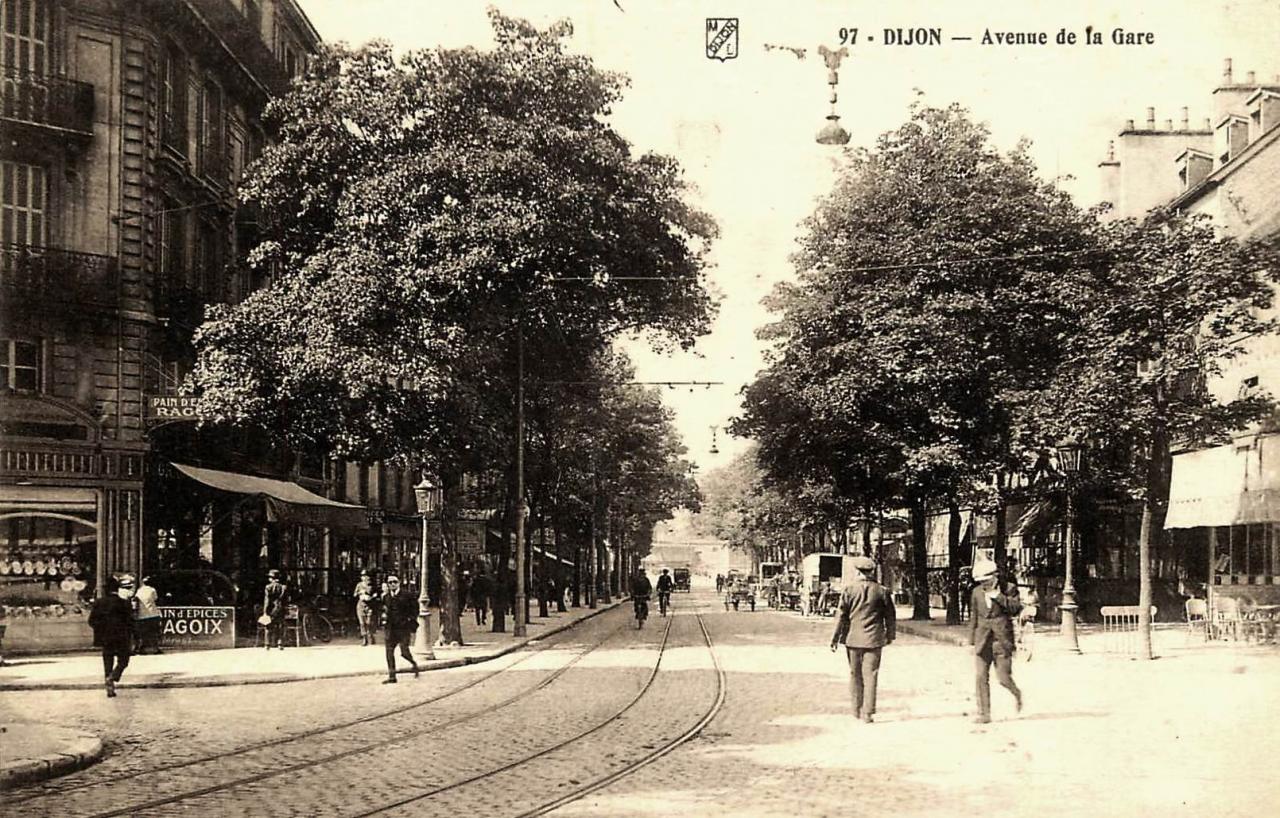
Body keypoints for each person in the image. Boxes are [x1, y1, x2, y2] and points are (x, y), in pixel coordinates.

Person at [829, 557, 896, 723]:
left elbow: (841, 616)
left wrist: (835, 637)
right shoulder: (882, 591)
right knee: (871, 675)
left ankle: (856, 709)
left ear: (858, 571)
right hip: (874, 639)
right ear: (871, 572)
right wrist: (890, 635)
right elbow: (890, 616)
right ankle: (867, 713)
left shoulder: (849, 590)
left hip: (852, 640)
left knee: (855, 674)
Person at [970, 558, 1023, 724]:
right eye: (980, 582)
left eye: (986, 581)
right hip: (982, 640)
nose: (983, 585)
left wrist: (998, 597)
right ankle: (984, 713)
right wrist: (971, 641)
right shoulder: (976, 593)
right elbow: (974, 617)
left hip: (1002, 640)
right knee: (980, 677)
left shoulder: (1009, 588)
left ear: (994, 576)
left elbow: (1016, 609)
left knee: (1003, 678)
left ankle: (1017, 693)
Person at [89, 575, 136, 698]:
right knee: (124, 660)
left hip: (105, 637)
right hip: (121, 637)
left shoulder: (99, 603)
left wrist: (101, 630)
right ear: (117, 588)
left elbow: (92, 621)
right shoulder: (123, 603)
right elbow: (130, 621)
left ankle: (109, 686)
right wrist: (133, 636)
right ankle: (114, 676)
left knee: (108, 661)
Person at [381, 575, 421, 683]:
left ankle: (414, 664)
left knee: (404, 651)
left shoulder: (407, 595)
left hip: (403, 629)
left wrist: (410, 620)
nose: (392, 584)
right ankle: (392, 676)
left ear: (399, 583)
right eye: (390, 582)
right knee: (389, 652)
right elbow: (384, 611)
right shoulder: (386, 597)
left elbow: (415, 609)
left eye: (394, 582)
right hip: (391, 629)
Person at [134, 575, 162, 655]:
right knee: (154, 632)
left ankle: (142, 648)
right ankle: (155, 648)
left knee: (143, 633)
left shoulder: (139, 591)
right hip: (152, 613)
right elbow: (155, 599)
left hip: (142, 615)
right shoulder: (152, 590)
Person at [263, 569, 290, 649]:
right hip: (281, 608)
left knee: (268, 626)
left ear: (271, 578)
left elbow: (267, 600)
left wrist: (265, 611)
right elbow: (286, 600)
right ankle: (280, 644)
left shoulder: (268, 587)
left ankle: (267, 644)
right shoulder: (283, 587)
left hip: (271, 609)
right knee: (280, 626)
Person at [353, 570, 377, 646]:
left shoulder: (372, 585)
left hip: (369, 605)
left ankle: (371, 635)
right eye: (363, 576)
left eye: (366, 576)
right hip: (361, 605)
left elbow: (376, 594)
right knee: (362, 623)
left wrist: (372, 597)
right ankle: (365, 639)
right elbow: (354, 594)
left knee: (369, 623)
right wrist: (360, 593)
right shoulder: (359, 585)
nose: (364, 578)